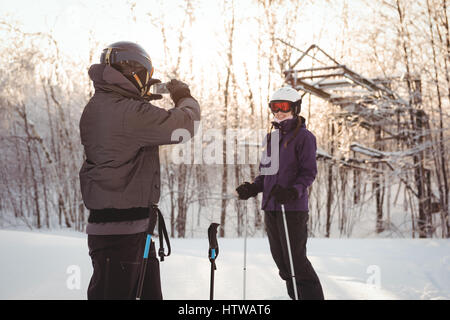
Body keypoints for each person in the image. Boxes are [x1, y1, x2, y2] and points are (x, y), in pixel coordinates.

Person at [79, 41, 200, 300]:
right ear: (134, 71)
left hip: (127, 230)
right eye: (144, 76)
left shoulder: (104, 104)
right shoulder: (127, 111)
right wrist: (183, 96)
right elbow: (186, 125)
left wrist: (140, 99)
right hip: (122, 234)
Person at [236, 86, 324, 300]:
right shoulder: (271, 138)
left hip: (292, 209)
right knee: (282, 262)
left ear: (295, 108)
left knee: (296, 262)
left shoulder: (305, 137)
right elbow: (265, 174)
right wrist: (253, 187)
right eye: (274, 107)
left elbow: (308, 172)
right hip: (272, 208)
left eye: (283, 106)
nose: (279, 111)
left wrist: (293, 192)